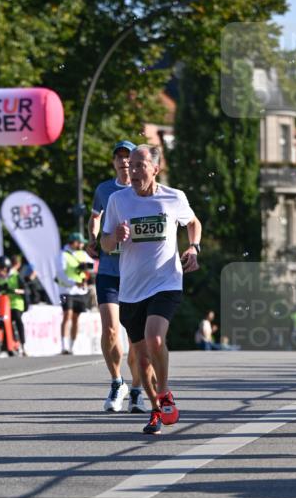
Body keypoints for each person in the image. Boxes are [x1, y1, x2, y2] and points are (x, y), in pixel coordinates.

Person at [101, 144, 201, 435]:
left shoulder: (174, 197)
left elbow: (193, 222)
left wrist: (193, 247)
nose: (132, 171)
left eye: (140, 165)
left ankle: (166, 391)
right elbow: (105, 242)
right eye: (130, 165)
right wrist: (114, 237)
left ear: (155, 169)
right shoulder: (118, 200)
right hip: (131, 289)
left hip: (166, 281)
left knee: (155, 339)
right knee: (141, 358)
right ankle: (157, 410)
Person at [88, 140, 151, 413]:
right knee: (111, 329)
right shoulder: (104, 190)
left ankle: (137, 388)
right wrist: (94, 238)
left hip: (136, 271)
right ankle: (117, 382)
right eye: (120, 157)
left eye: (129, 157)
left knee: (136, 336)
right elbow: (94, 217)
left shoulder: (146, 190)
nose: (125, 162)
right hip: (110, 270)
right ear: (114, 162)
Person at [58, 233, 94, 355]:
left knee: (75, 318)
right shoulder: (63, 255)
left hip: (80, 291)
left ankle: (72, 347)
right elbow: (61, 273)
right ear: (73, 242)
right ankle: (64, 346)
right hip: (66, 290)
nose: (82, 245)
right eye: (80, 242)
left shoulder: (83, 254)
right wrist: (74, 282)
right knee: (67, 315)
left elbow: (93, 266)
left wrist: (86, 268)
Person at [0, 255, 27, 353]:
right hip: (0, 306)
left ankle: (23, 345)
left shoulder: (15, 276)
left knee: (17, 319)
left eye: (3, 269)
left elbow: (25, 290)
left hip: (15, 304)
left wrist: (16, 291)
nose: (1, 271)